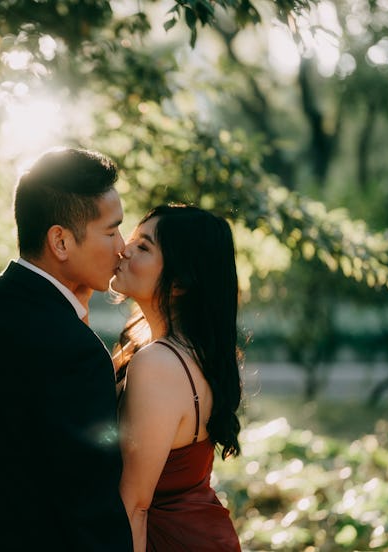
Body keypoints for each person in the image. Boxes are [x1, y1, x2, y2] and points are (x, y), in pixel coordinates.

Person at [0, 147, 134, 551]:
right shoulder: (77, 352)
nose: (122, 246)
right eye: (111, 230)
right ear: (60, 241)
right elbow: (90, 505)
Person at [111, 204, 243, 551]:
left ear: (180, 282)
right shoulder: (180, 351)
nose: (123, 248)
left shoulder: (158, 364)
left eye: (143, 247)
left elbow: (134, 506)